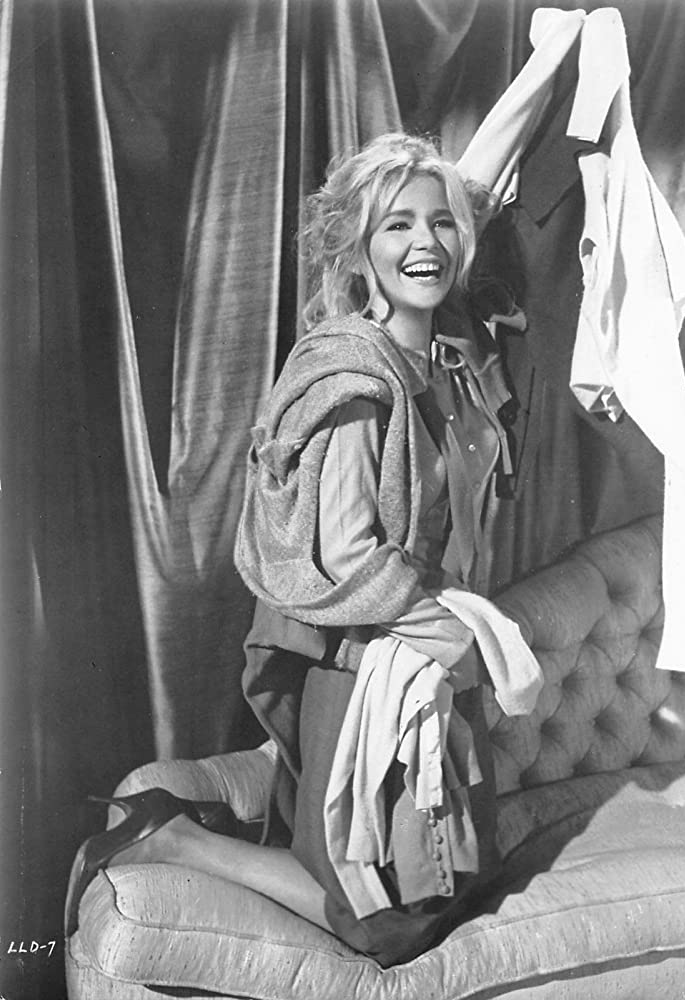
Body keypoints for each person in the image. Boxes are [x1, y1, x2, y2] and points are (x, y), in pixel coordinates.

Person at [65, 133, 540, 966]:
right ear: (359, 247)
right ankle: (171, 838)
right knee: (387, 924)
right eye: (397, 225)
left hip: (420, 652)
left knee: (458, 878)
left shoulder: (452, 360)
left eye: (441, 223)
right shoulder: (354, 377)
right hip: (362, 655)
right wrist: (453, 634)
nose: (424, 243)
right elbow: (348, 555)